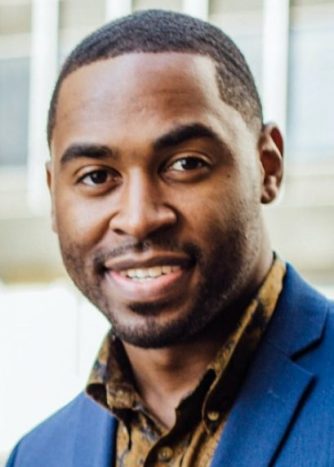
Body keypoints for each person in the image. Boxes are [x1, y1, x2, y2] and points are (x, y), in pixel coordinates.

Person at [6, 9, 334, 467]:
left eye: (185, 164)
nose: (139, 219)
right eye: (96, 175)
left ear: (268, 166)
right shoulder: (36, 456)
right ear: (53, 195)